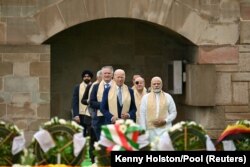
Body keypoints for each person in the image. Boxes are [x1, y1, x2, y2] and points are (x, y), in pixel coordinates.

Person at [139, 76, 177, 141]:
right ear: (151, 85)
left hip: (165, 129)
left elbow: (174, 112)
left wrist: (165, 121)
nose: (156, 85)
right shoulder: (145, 98)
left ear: (161, 85)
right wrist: (143, 130)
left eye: (158, 83)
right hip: (150, 130)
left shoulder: (168, 97)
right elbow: (142, 114)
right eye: (154, 84)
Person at [81, 70, 102, 163]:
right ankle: (93, 159)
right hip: (90, 117)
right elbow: (83, 100)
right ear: (98, 77)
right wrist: (90, 101)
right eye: (102, 77)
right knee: (93, 139)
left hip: (102, 117)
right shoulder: (91, 86)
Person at [89, 66, 115, 140]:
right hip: (100, 119)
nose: (107, 75)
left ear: (112, 75)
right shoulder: (96, 87)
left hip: (113, 118)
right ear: (102, 75)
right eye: (105, 73)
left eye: (109, 73)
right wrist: (104, 105)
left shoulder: (117, 86)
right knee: (102, 145)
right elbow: (92, 102)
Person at [71, 70, 93, 136]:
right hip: (81, 114)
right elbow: (75, 102)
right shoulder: (77, 87)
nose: (86, 78)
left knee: (91, 133)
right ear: (82, 78)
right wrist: (76, 115)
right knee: (81, 133)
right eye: (85, 76)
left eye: (88, 76)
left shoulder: (94, 86)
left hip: (91, 114)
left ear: (91, 78)